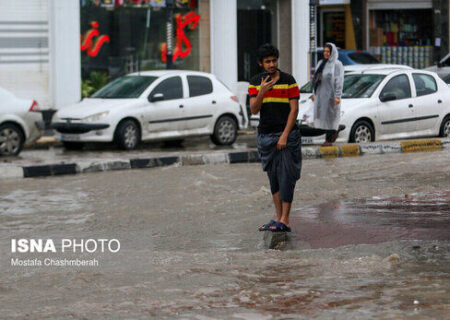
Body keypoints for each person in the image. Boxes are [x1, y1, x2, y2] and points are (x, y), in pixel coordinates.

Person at [248, 44, 301, 232]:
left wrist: (285, 135)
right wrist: (262, 90)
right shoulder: (255, 82)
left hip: (286, 135)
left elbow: (294, 110)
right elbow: (254, 109)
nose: (271, 64)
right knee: (274, 178)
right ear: (260, 63)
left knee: (287, 176)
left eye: (274, 60)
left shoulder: (289, 81)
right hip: (266, 136)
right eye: (267, 61)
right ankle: (278, 217)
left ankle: (285, 220)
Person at [311, 43, 345, 146]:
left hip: (331, 95)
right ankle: (334, 132)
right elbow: (315, 79)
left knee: (331, 116)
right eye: (324, 51)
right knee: (323, 116)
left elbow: (339, 80)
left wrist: (338, 96)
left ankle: (329, 139)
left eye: (328, 51)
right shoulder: (321, 63)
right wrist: (313, 93)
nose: (325, 53)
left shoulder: (337, 64)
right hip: (321, 94)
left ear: (332, 52)